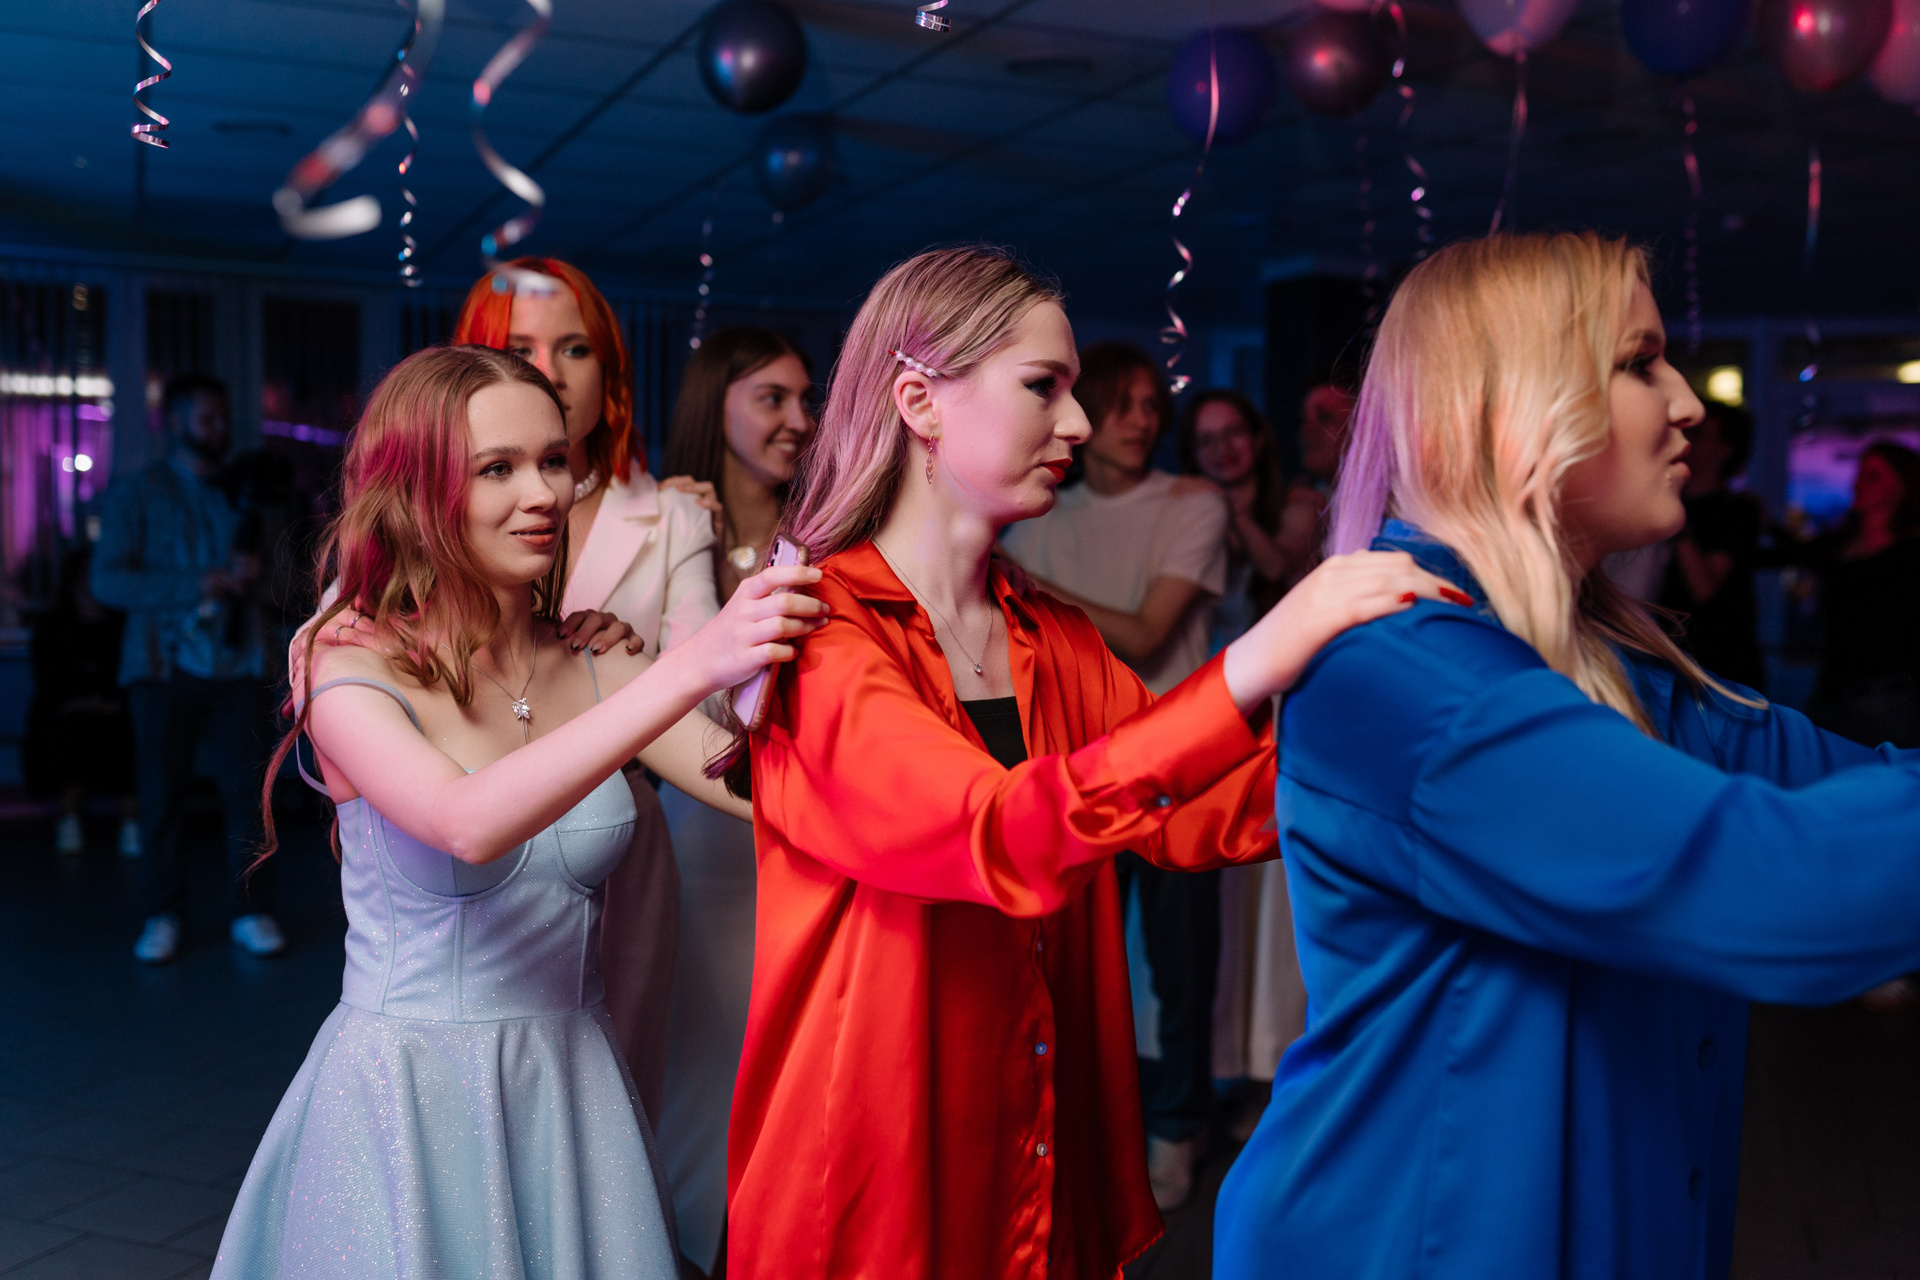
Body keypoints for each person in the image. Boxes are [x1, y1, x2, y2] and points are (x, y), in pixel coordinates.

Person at [724, 246, 1461, 1279]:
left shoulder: (1049, 633)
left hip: (1028, 1137)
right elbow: (996, 831)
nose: (1074, 422)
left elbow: (1201, 806)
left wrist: (1438, 750)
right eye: (1044, 386)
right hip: (871, 1166)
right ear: (919, 403)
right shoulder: (821, 636)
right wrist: (1256, 659)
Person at [1212, 231, 1920, 1280]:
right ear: (1514, 405)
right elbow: (1775, 883)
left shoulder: (1622, 666)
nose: (1687, 404)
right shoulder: (1402, 672)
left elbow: (1855, 788)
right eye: (1639, 363)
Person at [211, 345, 827, 1280]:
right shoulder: (348, 663)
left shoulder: (591, 659)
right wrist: (684, 670)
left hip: (572, 1089)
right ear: (416, 491)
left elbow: (761, 791)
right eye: (496, 469)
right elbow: (464, 822)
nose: (542, 494)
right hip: (407, 1099)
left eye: (553, 461)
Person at [452, 258, 722, 1120]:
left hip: (621, 829)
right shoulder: (425, 521)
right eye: (518, 349)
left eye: (574, 348)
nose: (549, 371)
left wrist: (630, 667)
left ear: (609, 370)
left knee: (616, 1091)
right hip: (468, 850)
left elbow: (710, 710)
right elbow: (343, 638)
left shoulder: (671, 513)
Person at [999, 341, 1230, 1208]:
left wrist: (1024, 584)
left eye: (1151, 405)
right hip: (1074, 771)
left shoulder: (1192, 502)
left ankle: (1179, 1126)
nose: (1143, 419)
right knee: (1073, 964)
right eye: (1124, 402)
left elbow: (1143, 634)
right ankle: (1082, 1133)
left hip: (1180, 768)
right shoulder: (1038, 514)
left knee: (1179, 964)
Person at [655, 325, 815, 1278]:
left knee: (800, 1069)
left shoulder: (829, 531)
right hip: (707, 833)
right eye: (771, 398)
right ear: (714, 405)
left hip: (811, 826)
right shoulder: (667, 525)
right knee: (701, 1061)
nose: (799, 420)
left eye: (805, 400)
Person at [92, 373, 284, 963]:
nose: (219, 429)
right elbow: (107, 580)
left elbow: (284, 585)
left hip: (238, 663)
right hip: (162, 666)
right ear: (173, 423)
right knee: (161, 797)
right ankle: (163, 912)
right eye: (206, 419)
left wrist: (256, 578)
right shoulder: (136, 492)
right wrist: (195, 583)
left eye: (222, 417)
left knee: (249, 798)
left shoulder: (244, 492)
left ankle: (250, 910)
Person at [1176, 391, 1309, 1128]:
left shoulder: (1297, 505)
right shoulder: (1183, 510)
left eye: (1232, 434)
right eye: (1206, 440)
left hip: (1280, 713)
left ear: (1256, 439)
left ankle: (1271, 1069)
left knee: (1273, 908)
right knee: (1220, 903)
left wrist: (1225, 513)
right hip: (1211, 711)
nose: (1222, 449)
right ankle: (1221, 1067)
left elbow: (1279, 566)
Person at [1798, 439, 1920, 749]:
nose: (1858, 483)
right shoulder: (1837, 545)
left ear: (1901, 486)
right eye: (1860, 473)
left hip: (1891, 699)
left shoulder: (1910, 553)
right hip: (1831, 693)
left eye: (1873, 476)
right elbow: (1790, 553)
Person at [26, 544, 138, 858]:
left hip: (114, 707)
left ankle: (131, 822)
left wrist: (109, 701)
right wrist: (79, 701)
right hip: (66, 707)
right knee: (69, 733)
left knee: (126, 733)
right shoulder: (53, 623)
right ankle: (70, 819)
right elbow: (48, 676)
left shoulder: (121, 622)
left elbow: (127, 671)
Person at [1657, 404, 1766, 690]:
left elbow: (1703, 588)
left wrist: (1676, 516)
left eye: (1701, 434)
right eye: (1688, 432)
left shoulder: (1737, 510)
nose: (1688, 442)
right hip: (1665, 653)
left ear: (1726, 448)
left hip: (1720, 661)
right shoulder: (1661, 502)